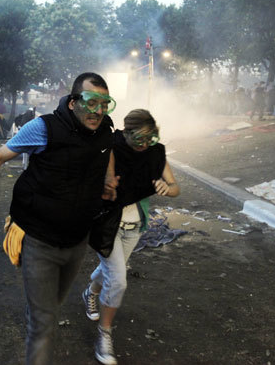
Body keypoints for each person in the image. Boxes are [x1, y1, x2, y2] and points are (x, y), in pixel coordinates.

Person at [0, 73, 118, 365]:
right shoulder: (44, 128)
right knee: (44, 325)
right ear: (73, 102)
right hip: (39, 240)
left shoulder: (105, 129)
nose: (99, 111)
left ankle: (38, 309)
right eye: (92, 103)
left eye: (105, 104)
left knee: (52, 305)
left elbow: (107, 150)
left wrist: (108, 178)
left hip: (77, 241)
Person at [82, 109, 180, 365]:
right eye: (139, 139)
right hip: (108, 224)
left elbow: (175, 187)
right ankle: (104, 335)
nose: (145, 145)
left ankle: (90, 292)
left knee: (112, 272)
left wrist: (166, 188)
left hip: (135, 226)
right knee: (118, 281)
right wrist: (105, 183)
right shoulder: (110, 148)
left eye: (151, 139)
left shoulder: (156, 153)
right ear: (126, 133)